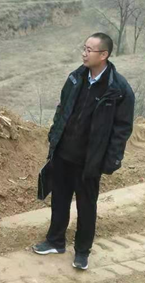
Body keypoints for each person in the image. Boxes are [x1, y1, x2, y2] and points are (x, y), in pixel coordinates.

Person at [33, 32, 135, 270]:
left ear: (104, 55)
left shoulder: (118, 89)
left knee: (86, 206)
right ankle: (55, 241)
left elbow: (122, 129)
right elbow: (62, 109)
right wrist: (54, 136)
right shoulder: (75, 77)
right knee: (59, 200)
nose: (84, 53)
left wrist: (112, 159)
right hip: (63, 154)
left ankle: (82, 251)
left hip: (90, 160)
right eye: (84, 48)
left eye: (89, 50)